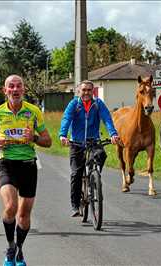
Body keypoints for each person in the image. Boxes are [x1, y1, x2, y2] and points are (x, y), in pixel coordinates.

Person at [0, 75, 52, 266]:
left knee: (24, 215)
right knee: (10, 207)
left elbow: (48, 141)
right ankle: (11, 246)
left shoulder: (34, 112)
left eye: (18, 86)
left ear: (23, 90)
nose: (15, 89)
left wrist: (35, 138)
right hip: (7, 163)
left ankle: (20, 250)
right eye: (11, 87)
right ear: (5, 90)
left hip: (29, 165)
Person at [59, 80, 120, 217]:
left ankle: (94, 176)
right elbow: (66, 119)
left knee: (101, 155)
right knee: (76, 174)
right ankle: (75, 205)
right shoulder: (74, 104)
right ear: (79, 91)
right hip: (77, 143)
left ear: (93, 91)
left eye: (89, 90)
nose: (86, 92)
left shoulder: (98, 104)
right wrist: (63, 135)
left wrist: (113, 134)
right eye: (84, 90)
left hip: (93, 140)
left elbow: (107, 119)